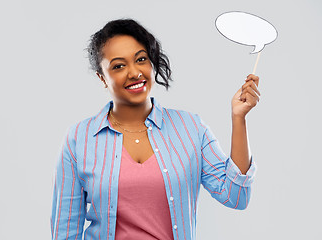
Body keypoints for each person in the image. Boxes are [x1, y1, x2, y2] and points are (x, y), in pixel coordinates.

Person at [51, 19, 259, 240]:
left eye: (141, 59)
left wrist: (239, 118)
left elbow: (236, 196)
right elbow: (65, 231)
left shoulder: (191, 128)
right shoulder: (79, 139)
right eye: (119, 66)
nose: (134, 72)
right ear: (102, 77)